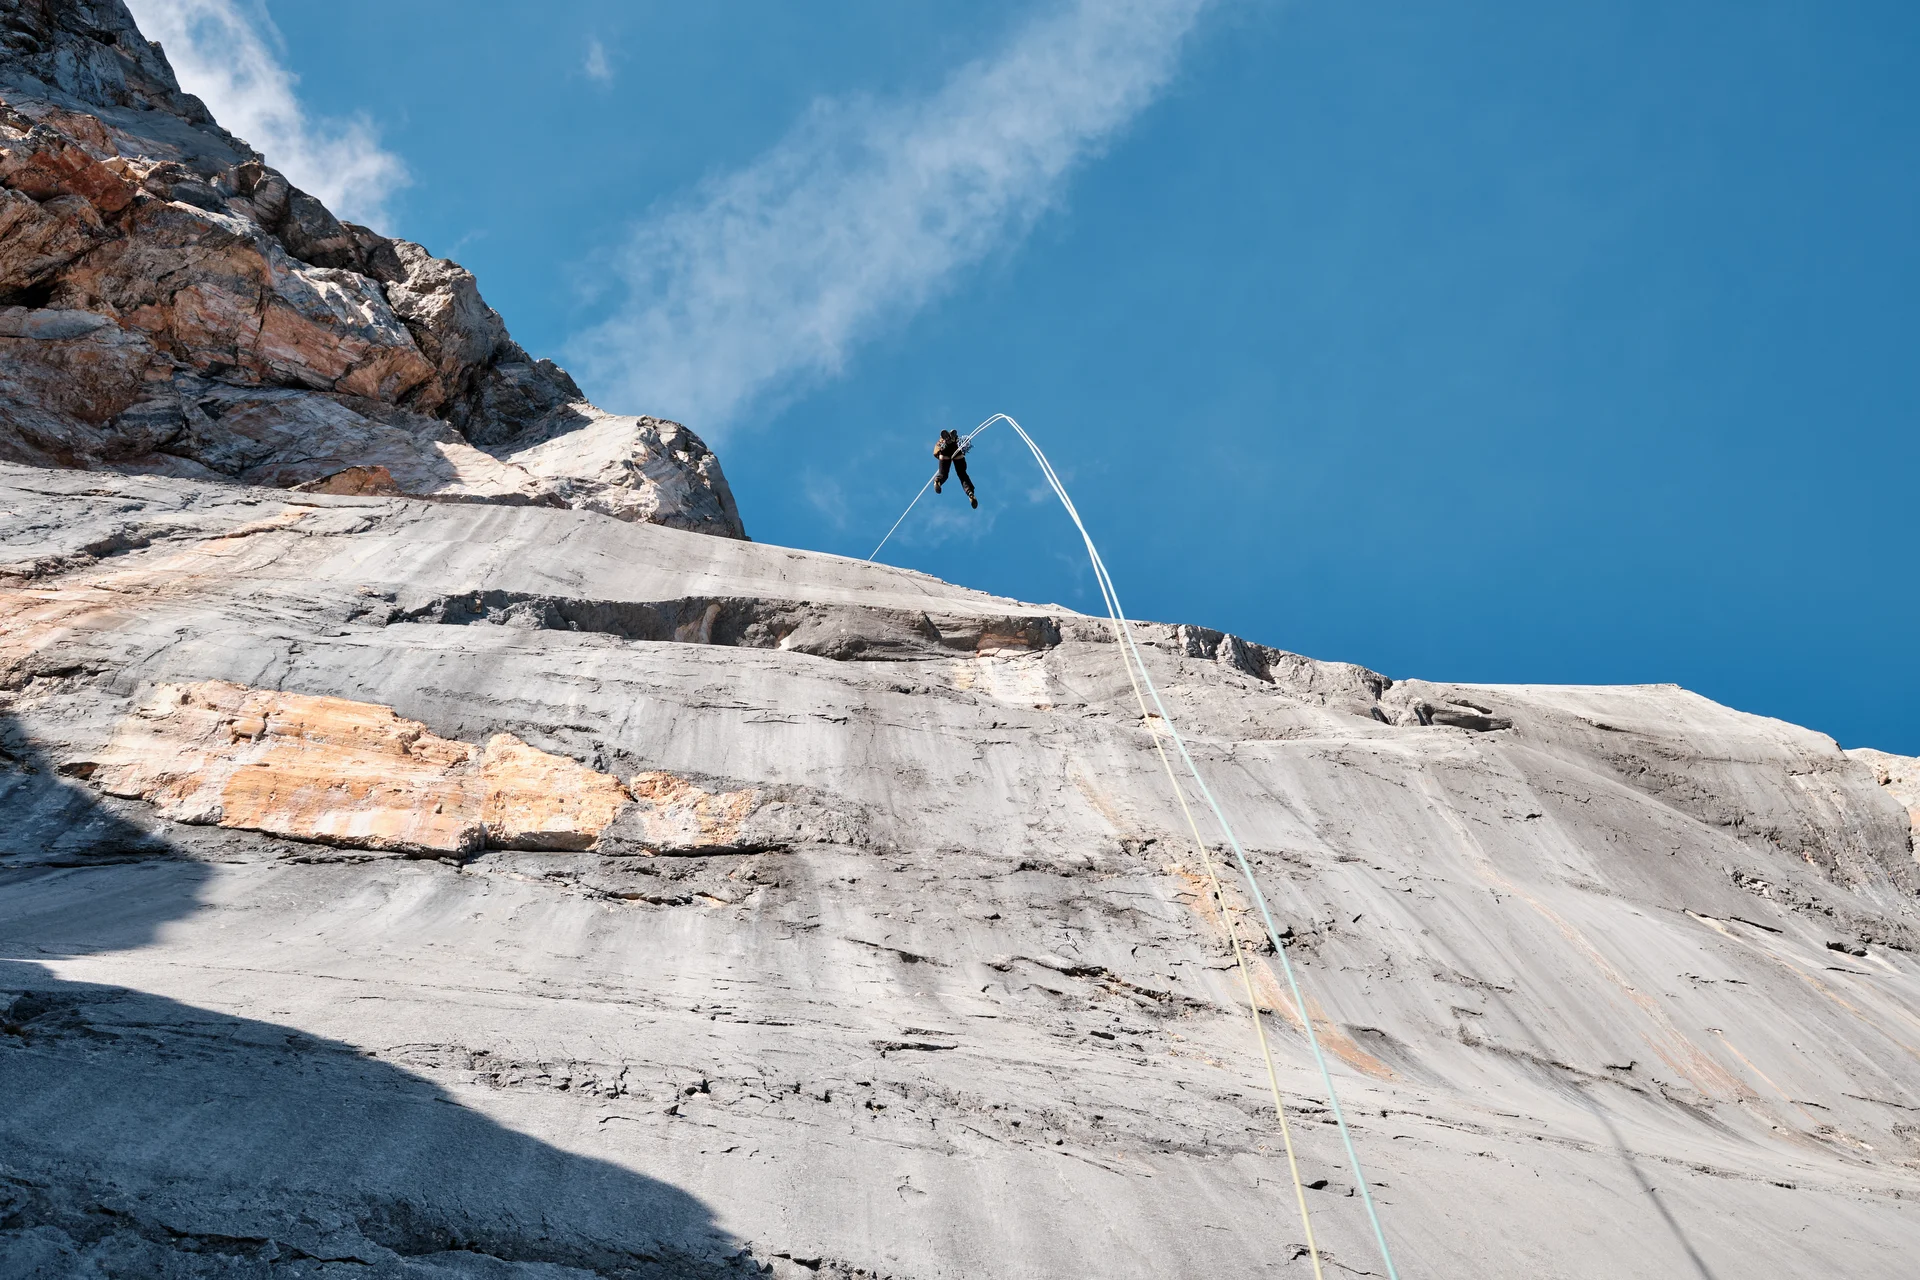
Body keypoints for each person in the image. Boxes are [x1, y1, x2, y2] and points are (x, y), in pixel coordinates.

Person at [932, 428, 977, 508]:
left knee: (943, 474)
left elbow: (936, 453)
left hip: (944, 453)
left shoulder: (938, 444)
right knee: (962, 474)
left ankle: (937, 481)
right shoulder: (940, 443)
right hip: (956, 451)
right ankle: (970, 493)